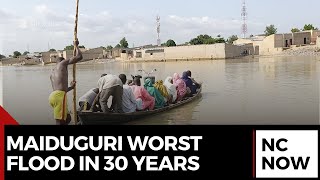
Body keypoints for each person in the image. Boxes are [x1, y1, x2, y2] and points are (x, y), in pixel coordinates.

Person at [49, 39, 83, 125]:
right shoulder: (62, 64)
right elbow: (79, 57)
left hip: (54, 96)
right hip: (59, 97)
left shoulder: (52, 72)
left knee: (67, 118)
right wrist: (76, 46)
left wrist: (71, 87)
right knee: (61, 121)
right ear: (62, 61)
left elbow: (59, 89)